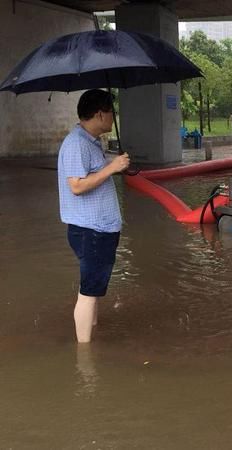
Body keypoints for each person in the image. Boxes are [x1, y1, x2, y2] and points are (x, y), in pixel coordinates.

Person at [58, 89, 130, 343]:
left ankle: (93, 331)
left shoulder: (89, 142)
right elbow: (76, 186)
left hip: (97, 229)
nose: (114, 117)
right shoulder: (77, 143)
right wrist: (112, 168)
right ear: (100, 114)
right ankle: (85, 359)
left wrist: (113, 165)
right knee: (88, 291)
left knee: (91, 286)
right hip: (91, 230)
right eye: (112, 112)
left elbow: (92, 174)